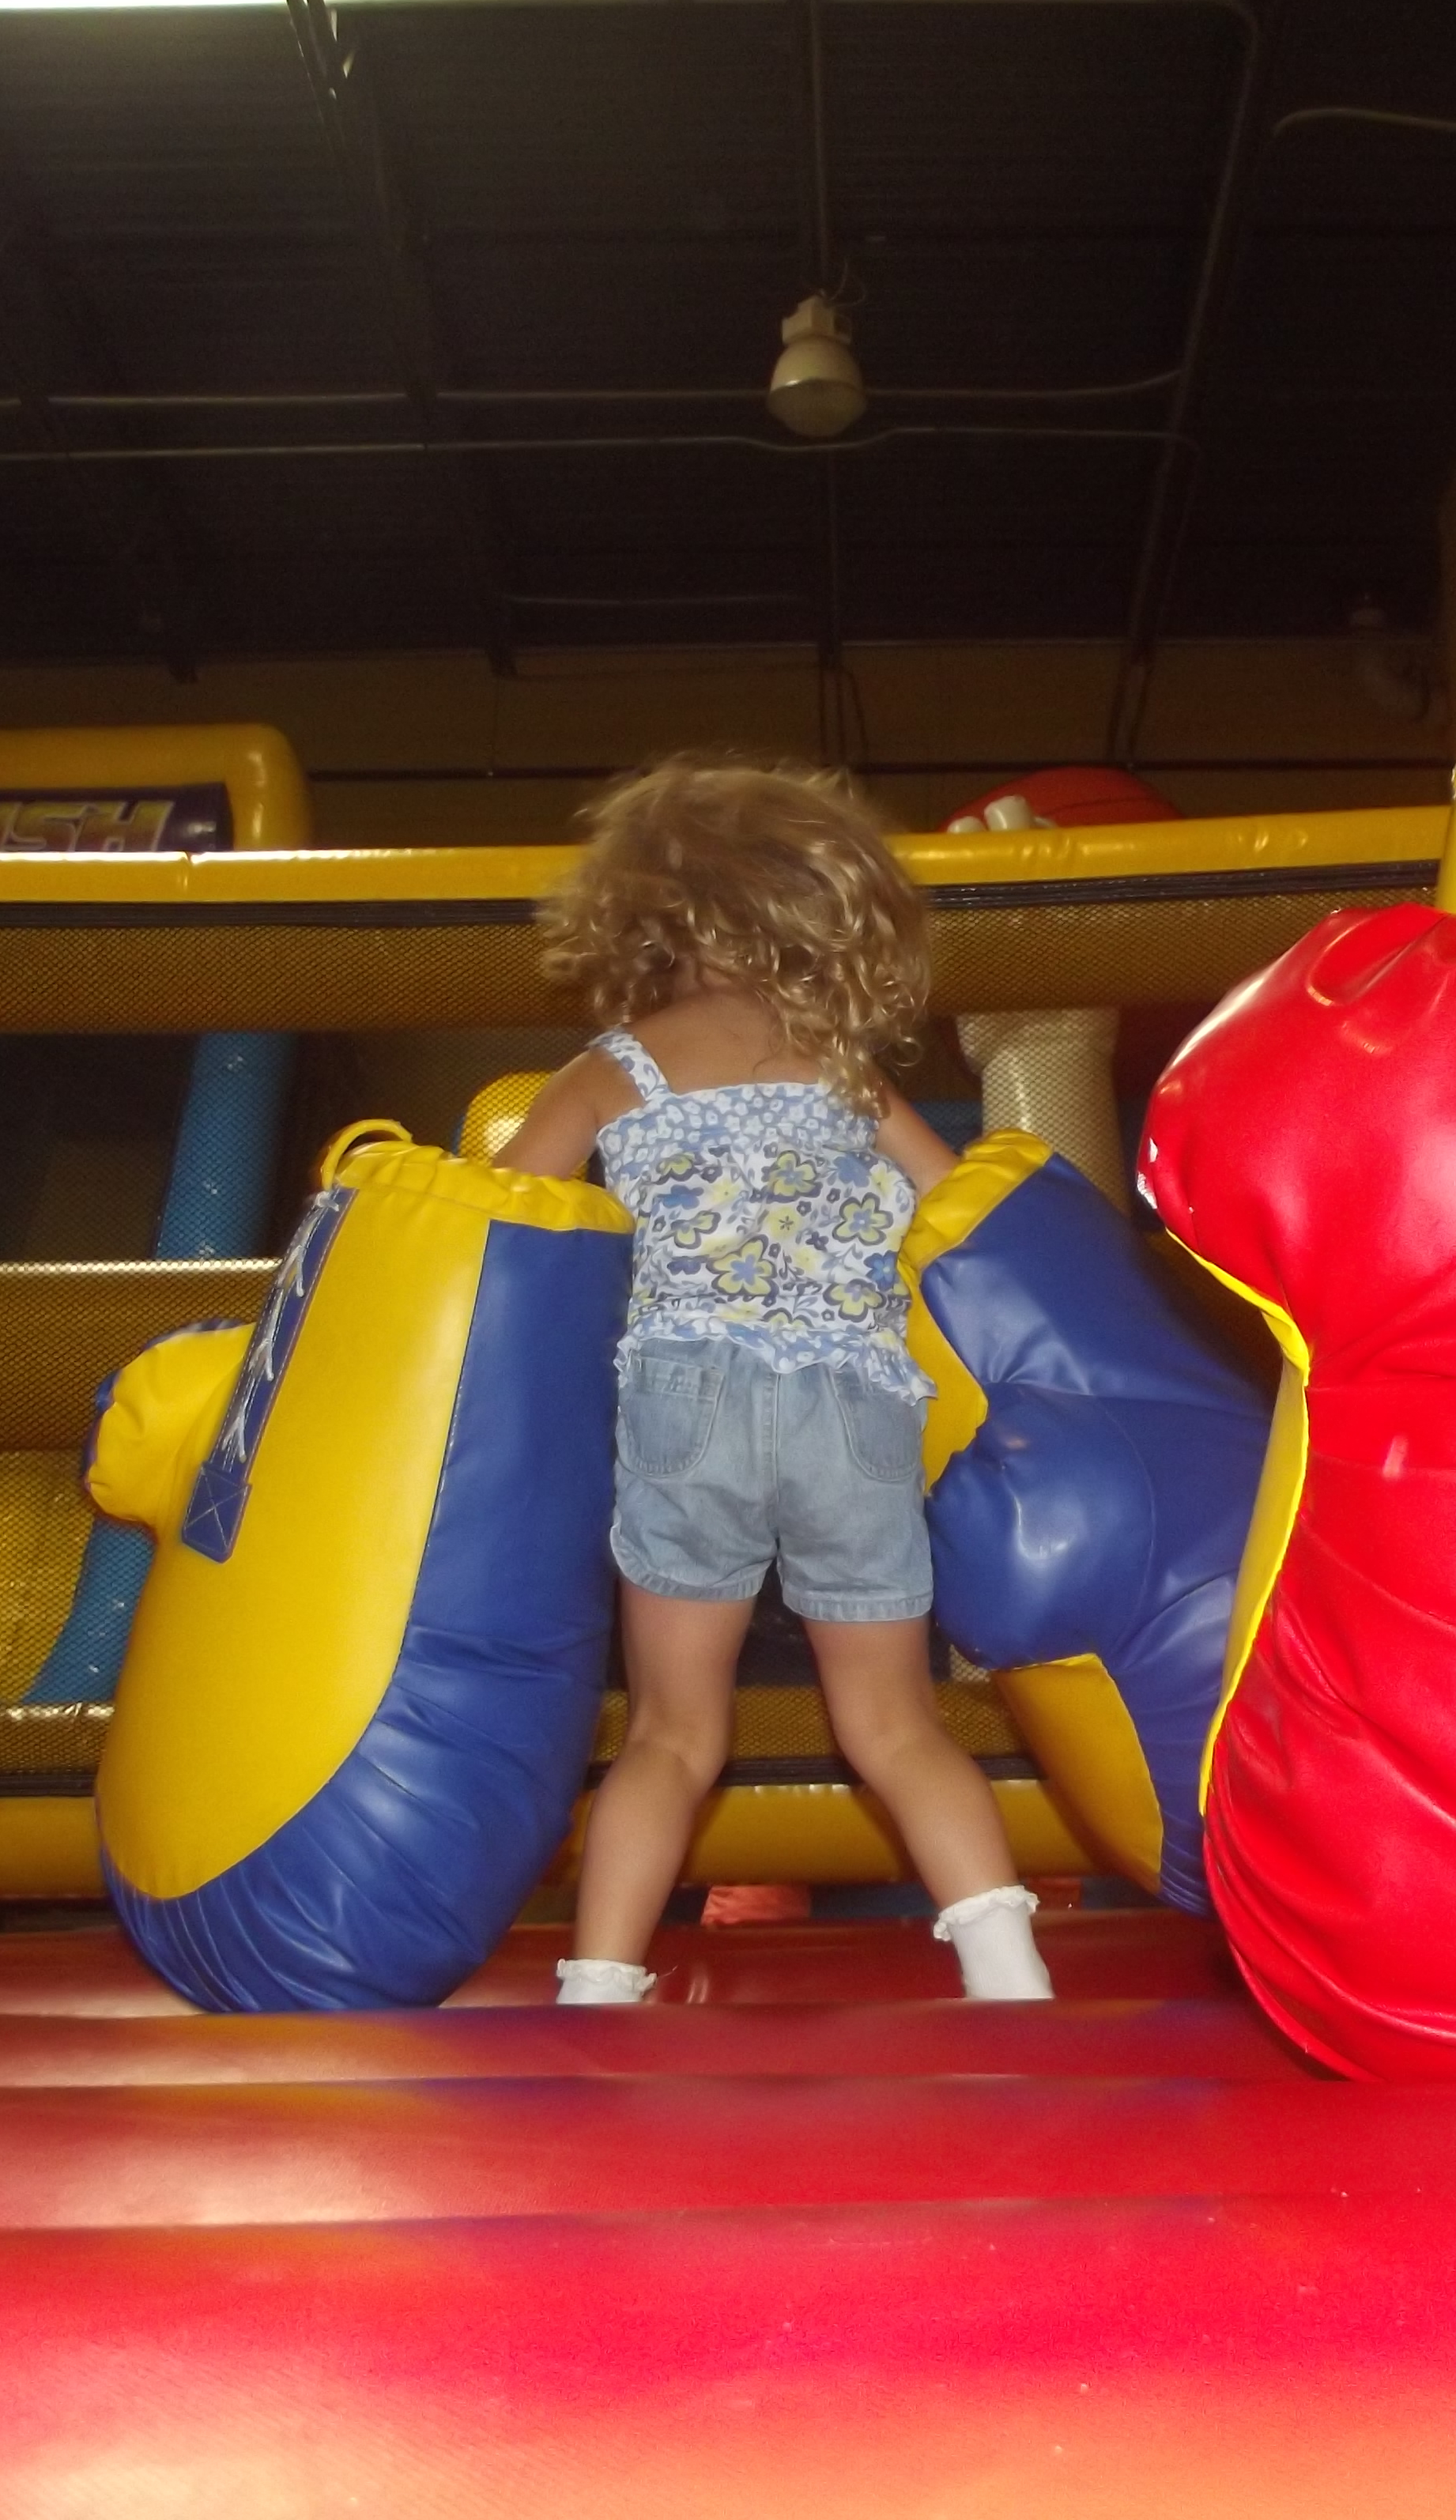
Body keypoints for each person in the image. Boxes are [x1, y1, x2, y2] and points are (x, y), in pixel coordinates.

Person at [496, 755, 1054, 2005]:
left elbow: (496, 1219)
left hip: (686, 1407)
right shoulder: (841, 1068)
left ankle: (598, 1986)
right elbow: (957, 1204)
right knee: (895, 1726)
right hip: (851, 1405)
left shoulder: (613, 1068)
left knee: (671, 1733)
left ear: (648, 919)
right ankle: (1010, 1974)